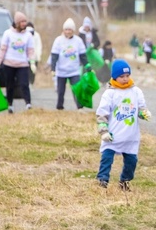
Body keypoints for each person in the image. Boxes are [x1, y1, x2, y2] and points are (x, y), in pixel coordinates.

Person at [95, 60, 150, 191]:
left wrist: (144, 114)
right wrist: (103, 131)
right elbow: (102, 114)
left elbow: (141, 109)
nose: (125, 79)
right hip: (113, 135)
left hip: (130, 136)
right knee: (107, 158)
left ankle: (125, 182)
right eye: (121, 76)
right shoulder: (110, 93)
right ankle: (102, 180)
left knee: (131, 161)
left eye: (127, 76)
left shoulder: (136, 91)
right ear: (114, 77)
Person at [0, 11, 36, 112]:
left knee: (24, 84)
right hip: (9, 64)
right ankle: (10, 105)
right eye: (22, 22)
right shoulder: (8, 34)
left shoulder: (28, 35)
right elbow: (2, 49)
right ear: (17, 23)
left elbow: (30, 50)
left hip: (22, 64)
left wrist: (32, 62)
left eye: (25, 21)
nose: (24, 24)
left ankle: (28, 104)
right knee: (10, 85)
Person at [49, 18, 88, 110]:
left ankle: (80, 108)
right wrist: (53, 69)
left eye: (70, 29)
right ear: (63, 30)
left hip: (74, 70)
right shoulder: (58, 40)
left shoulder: (78, 41)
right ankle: (59, 107)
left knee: (77, 90)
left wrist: (88, 66)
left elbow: (83, 56)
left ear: (73, 30)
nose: (68, 31)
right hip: (61, 71)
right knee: (60, 91)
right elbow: (54, 56)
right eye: (66, 29)